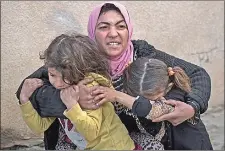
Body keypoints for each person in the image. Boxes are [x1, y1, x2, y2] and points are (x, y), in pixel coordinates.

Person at [16, 1, 212, 150]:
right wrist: (72, 97)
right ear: (93, 30)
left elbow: (197, 74)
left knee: (181, 102)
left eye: (120, 26)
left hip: (132, 136)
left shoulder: (143, 54)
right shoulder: (78, 58)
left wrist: (193, 107)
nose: (113, 33)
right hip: (92, 138)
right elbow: (26, 89)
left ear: (129, 29)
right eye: (103, 27)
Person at [19, 33, 152, 150]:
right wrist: (24, 99)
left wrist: (72, 106)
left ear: (79, 70)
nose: (58, 83)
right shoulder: (63, 92)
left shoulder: (89, 89)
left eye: (65, 77)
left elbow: (92, 132)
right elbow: (40, 126)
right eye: (52, 75)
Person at [95, 57, 212, 150]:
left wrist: (116, 95)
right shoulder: (130, 97)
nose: (145, 102)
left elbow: (151, 110)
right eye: (139, 98)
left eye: (153, 99)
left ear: (167, 87)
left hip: (192, 145)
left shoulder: (175, 97)